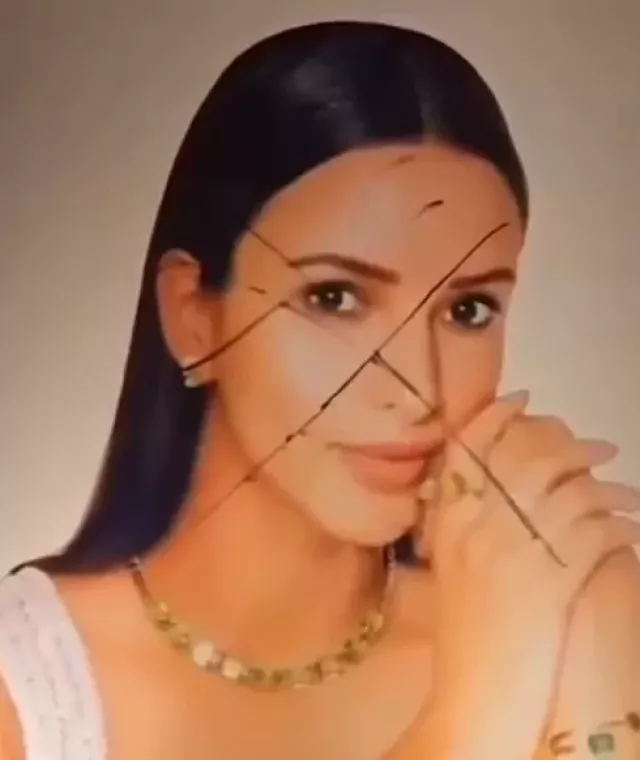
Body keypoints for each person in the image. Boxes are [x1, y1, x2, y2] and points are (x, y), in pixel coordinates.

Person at [0, 20, 639, 760]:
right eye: (335, 298)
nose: (420, 389)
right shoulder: (25, 688)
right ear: (193, 315)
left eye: (468, 310)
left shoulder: (561, 618)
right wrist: (486, 697)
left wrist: (595, 609)